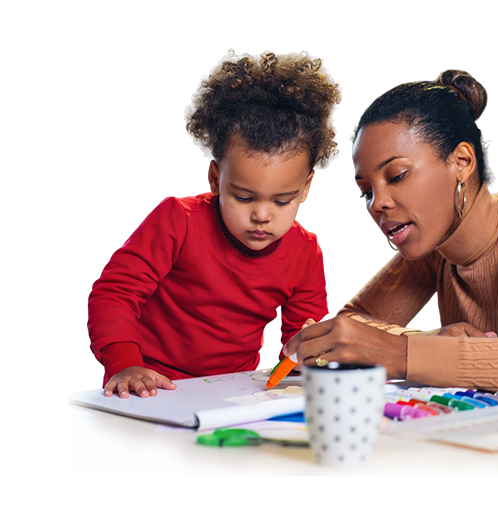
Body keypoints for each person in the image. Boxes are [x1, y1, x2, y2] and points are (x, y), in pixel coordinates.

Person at [284, 69, 498, 405]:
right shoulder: (436, 249)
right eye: (366, 191)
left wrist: (403, 354)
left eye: (397, 175)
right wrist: (428, 343)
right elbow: (353, 326)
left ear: (463, 162)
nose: (378, 203)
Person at [87, 50, 341, 399]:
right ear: (214, 178)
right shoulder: (178, 220)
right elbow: (114, 293)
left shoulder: (305, 252)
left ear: (306, 186)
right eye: (244, 197)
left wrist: (310, 354)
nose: (262, 215)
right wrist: (124, 364)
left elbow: (299, 345)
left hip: (232, 391)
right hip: (150, 385)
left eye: (282, 201)